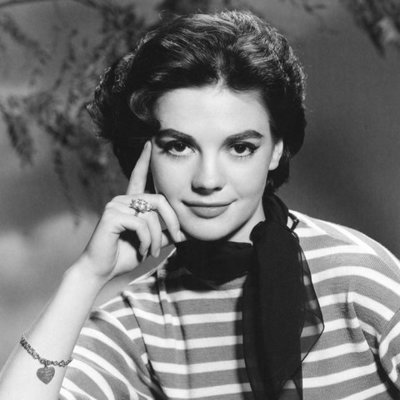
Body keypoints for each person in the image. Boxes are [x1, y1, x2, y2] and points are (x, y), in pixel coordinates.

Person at [1, 9, 400, 400]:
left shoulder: (354, 274)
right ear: (145, 153)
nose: (208, 181)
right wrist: (86, 275)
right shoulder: (139, 322)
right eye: (179, 147)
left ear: (276, 150)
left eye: (240, 147)